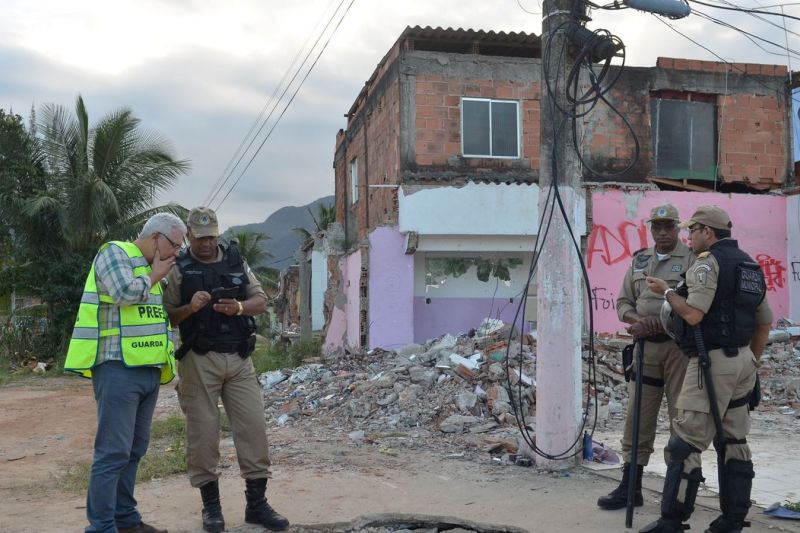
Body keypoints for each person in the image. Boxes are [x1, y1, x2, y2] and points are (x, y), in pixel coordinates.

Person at [640, 205, 771, 533]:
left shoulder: (706, 262)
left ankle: (672, 520)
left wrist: (667, 291)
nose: (689, 236)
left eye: (693, 230)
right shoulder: (750, 265)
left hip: (711, 362)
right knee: (734, 442)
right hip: (743, 361)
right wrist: (752, 362)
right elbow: (764, 322)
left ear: (707, 232)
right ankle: (732, 520)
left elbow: (694, 314)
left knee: (684, 443)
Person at [162, 207, 289, 533]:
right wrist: (190, 308)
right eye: (200, 238)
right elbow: (167, 315)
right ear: (189, 236)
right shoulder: (179, 268)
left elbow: (261, 301)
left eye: (211, 237)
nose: (207, 243)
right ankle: (212, 508)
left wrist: (239, 307)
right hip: (198, 360)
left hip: (239, 358)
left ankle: (257, 506)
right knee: (203, 435)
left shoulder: (236, 262)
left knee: (253, 429)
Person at [65, 212, 186, 533]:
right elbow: (124, 294)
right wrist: (155, 276)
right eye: (175, 245)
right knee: (113, 452)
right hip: (117, 368)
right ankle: (101, 526)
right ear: (156, 237)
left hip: (147, 370)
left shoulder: (150, 269)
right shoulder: (115, 253)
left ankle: (125, 519)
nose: (176, 252)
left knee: (134, 450)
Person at [598, 204, 694, 511]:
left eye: (668, 226)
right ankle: (630, 487)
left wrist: (664, 321)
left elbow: (697, 305)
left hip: (679, 348)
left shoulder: (693, 259)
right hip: (645, 348)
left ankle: (677, 493)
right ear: (651, 229)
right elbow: (623, 303)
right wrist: (639, 321)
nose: (662, 232)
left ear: (677, 229)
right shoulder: (640, 260)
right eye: (657, 227)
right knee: (637, 416)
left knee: (682, 417)